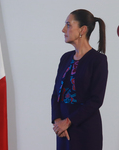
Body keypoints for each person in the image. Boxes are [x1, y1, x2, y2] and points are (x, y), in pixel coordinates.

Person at [51, 9, 108, 150]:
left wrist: (68, 121)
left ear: (83, 29)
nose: (63, 29)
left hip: (85, 130)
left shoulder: (98, 60)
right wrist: (58, 122)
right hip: (63, 132)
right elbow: (56, 95)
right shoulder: (65, 58)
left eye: (68, 25)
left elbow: (96, 100)